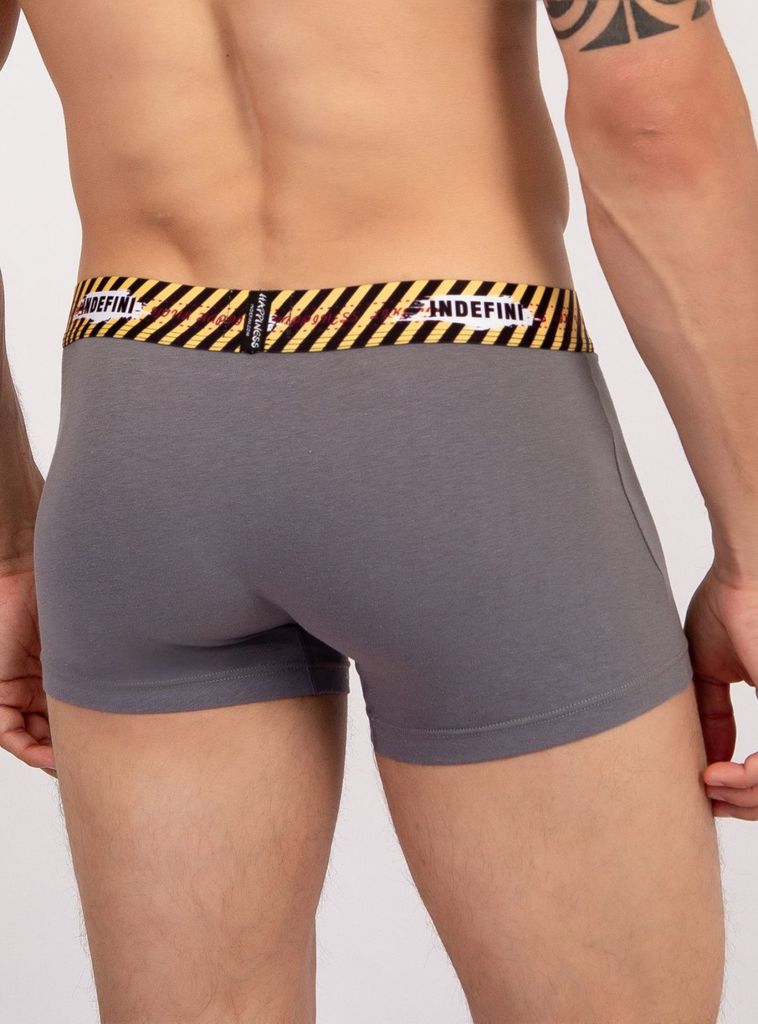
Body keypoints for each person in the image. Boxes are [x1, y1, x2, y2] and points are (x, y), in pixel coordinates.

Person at [1, 0, 755, 1020]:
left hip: (138, 414)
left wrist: (9, 545)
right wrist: (752, 557)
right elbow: (655, 123)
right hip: (457, 402)